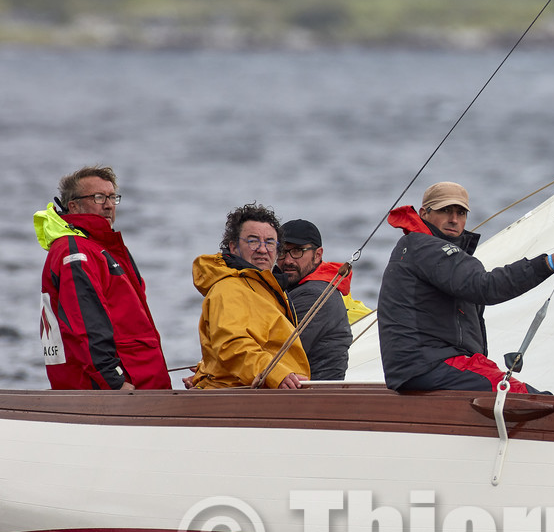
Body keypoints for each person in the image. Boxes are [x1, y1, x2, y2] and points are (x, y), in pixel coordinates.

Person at [378, 181, 554, 393]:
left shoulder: (418, 249)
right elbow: (485, 287)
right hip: (431, 365)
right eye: (445, 210)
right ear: (424, 213)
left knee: (528, 397)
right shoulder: (427, 248)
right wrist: (548, 263)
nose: (454, 219)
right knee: (532, 400)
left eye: (461, 212)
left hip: (423, 366)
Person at [35, 165, 171, 390]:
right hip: (114, 394)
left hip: (142, 388)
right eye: (98, 197)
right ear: (74, 206)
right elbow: (87, 327)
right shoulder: (75, 253)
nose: (108, 205)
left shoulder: (102, 249)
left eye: (112, 197)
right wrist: (114, 383)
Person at [191, 204, 310, 389]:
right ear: (234, 247)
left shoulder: (268, 288)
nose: (263, 250)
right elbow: (231, 345)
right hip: (239, 400)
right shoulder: (228, 288)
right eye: (253, 241)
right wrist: (275, 373)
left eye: (270, 242)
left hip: (272, 392)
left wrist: (203, 368)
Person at [275, 219, 364, 382]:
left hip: (313, 396)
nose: (287, 260)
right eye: (281, 251)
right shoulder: (297, 287)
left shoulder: (314, 294)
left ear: (318, 255)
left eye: (297, 251)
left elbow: (277, 353)